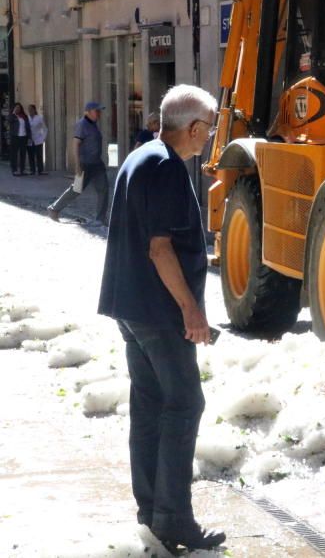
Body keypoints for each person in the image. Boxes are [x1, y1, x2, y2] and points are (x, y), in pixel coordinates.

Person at [97, 84, 225, 552]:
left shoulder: (142, 156)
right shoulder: (167, 167)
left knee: (150, 405)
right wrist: (191, 309)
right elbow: (161, 248)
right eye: (207, 129)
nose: (208, 139)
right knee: (185, 404)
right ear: (192, 127)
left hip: (131, 306)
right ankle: (172, 520)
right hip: (157, 309)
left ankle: (151, 509)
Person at [47, 102, 109, 225]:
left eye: (99, 111)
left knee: (104, 189)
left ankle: (100, 219)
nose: (99, 113)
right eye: (97, 111)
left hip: (97, 164)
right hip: (85, 164)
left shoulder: (94, 125)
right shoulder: (82, 124)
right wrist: (77, 165)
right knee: (76, 189)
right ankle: (54, 208)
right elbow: (75, 144)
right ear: (89, 111)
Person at [8, 103, 29, 176]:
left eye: (19, 108)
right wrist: (13, 113)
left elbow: (28, 127)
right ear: (14, 108)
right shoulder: (12, 116)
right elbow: (9, 120)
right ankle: (14, 170)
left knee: (23, 154)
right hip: (15, 137)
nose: (18, 109)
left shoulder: (24, 116)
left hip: (23, 137)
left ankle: (22, 170)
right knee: (14, 154)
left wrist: (29, 137)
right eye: (16, 107)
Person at [27, 105, 48, 175]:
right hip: (29, 140)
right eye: (29, 109)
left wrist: (43, 137)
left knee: (39, 155)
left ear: (34, 110)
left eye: (31, 109)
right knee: (31, 155)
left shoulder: (39, 118)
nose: (30, 111)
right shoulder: (27, 118)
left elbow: (45, 128)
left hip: (38, 139)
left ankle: (40, 170)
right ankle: (32, 170)